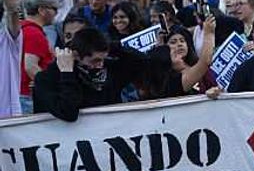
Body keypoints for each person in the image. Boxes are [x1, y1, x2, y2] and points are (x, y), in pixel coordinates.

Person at [33, 19, 216, 122]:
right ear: (76, 56)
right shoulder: (47, 79)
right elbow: (68, 112)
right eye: (95, 61)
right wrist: (67, 73)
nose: (100, 66)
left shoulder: (110, 70)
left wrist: (111, 46)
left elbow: (140, 62)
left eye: (103, 59)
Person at [19, 0, 57, 114]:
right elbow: (30, 66)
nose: (56, 13)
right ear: (41, 10)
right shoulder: (33, 33)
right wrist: (50, 87)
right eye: (54, 9)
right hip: (27, 96)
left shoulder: (23, 29)